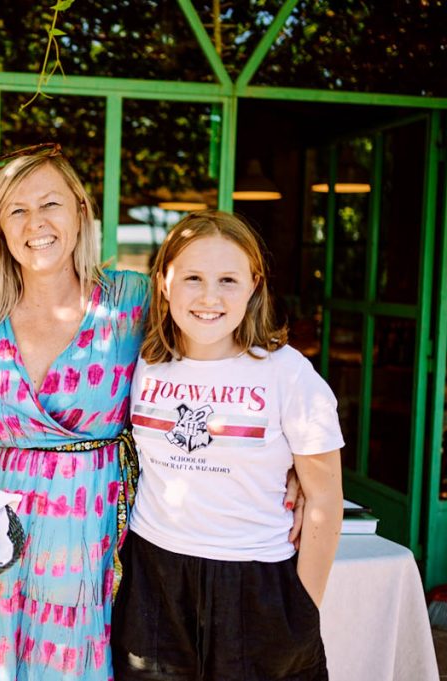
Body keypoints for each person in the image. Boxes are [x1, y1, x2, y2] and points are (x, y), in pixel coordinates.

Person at [0, 143, 149, 680]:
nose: (36, 222)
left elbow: (205, 369)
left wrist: (280, 460)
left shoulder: (133, 300)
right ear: (0, 228)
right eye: (17, 210)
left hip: (90, 524)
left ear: (81, 211)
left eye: (50, 204)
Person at [113, 210, 343, 680]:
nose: (209, 297)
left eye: (228, 280)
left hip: (256, 579)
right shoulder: (140, 362)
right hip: (154, 576)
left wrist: (303, 609)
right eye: (192, 277)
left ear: (255, 285)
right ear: (163, 282)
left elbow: (324, 498)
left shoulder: (288, 373)